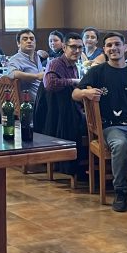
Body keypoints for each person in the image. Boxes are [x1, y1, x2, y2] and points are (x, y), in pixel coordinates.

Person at [73, 32, 127, 212]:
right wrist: (86, 93)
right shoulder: (96, 72)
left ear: (125, 47)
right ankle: (120, 191)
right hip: (112, 127)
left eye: (117, 44)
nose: (113, 48)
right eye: (109, 45)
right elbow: (75, 94)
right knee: (120, 145)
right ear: (104, 50)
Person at [41, 32, 87, 175]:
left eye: (80, 47)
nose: (77, 51)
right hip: (58, 116)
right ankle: (80, 167)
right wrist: (73, 81)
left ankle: (88, 166)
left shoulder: (74, 65)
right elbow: (50, 84)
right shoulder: (56, 63)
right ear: (64, 47)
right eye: (73, 47)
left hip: (68, 110)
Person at [7, 29, 45, 103]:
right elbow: (11, 73)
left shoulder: (37, 56)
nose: (29, 41)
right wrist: (36, 76)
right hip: (30, 103)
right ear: (18, 44)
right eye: (25, 39)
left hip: (44, 97)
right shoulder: (16, 59)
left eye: (32, 39)